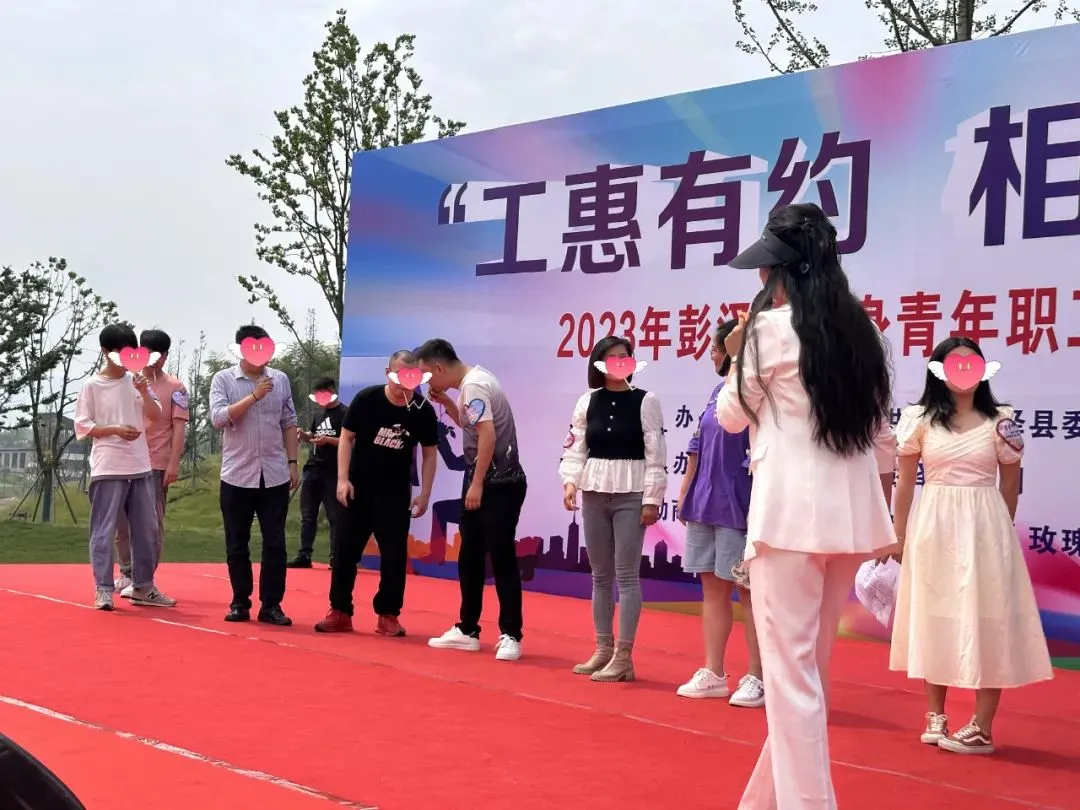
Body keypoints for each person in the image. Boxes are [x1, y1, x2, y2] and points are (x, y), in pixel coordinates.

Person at [715, 203, 897, 810]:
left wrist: (736, 354)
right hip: (847, 519)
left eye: (765, 268)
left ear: (780, 272)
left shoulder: (767, 332)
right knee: (807, 674)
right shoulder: (861, 333)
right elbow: (878, 431)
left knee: (791, 679)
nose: (760, 278)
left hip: (788, 518)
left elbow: (730, 416)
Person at [890, 336, 1052, 755]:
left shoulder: (1002, 420)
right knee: (935, 614)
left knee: (989, 618)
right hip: (934, 525)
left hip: (985, 527)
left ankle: (982, 726)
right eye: (954, 363)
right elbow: (904, 484)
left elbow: (1010, 484)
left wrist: (1000, 531)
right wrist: (899, 535)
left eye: (971, 362)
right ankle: (936, 715)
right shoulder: (918, 419)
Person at [558, 336, 666, 682]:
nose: (620, 362)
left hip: (631, 495)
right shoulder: (587, 400)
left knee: (627, 576)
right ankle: (603, 649)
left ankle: (623, 657)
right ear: (599, 364)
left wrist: (652, 499)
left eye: (625, 356)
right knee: (600, 576)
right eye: (613, 357)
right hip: (593, 492)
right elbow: (576, 447)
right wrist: (570, 482)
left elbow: (656, 455)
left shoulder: (645, 400)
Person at [416, 338, 528, 662]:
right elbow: (472, 427)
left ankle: (511, 634)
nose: (426, 382)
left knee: (501, 556)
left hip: (500, 483)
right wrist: (448, 404)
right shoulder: (473, 382)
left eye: (426, 375)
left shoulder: (474, 385)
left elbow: (488, 435)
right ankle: (467, 629)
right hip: (483, 480)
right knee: (470, 555)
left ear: (439, 368)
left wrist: (477, 483)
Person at [315, 351, 438, 636]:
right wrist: (342, 479)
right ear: (387, 373)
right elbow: (347, 437)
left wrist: (425, 493)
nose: (402, 384)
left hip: (395, 493)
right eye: (398, 376)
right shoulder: (367, 399)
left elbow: (430, 453)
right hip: (358, 488)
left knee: (394, 556)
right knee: (345, 551)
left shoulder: (422, 410)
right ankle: (340, 610)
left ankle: (388, 614)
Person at [675, 318, 764, 707]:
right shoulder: (718, 392)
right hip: (706, 502)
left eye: (716, 347)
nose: (712, 354)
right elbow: (698, 444)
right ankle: (713, 672)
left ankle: (758, 676)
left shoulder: (757, 392)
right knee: (712, 588)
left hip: (740, 505)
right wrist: (686, 491)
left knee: (748, 592)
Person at [73, 323, 177, 610]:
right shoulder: (92, 386)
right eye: (119, 353)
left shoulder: (137, 381)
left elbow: (155, 416)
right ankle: (103, 589)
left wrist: (144, 391)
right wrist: (115, 429)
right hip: (108, 466)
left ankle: (143, 586)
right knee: (104, 530)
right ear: (105, 352)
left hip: (140, 466)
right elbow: (83, 425)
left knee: (146, 530)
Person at [208, 324, 299, 626]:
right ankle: (240, 602)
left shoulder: (280, 379)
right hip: (237, 474)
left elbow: (289, 421)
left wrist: (293, 462)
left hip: (274, 473)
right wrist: (254, 397)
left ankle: (271, 605)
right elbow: (218, 418)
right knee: (237, 542)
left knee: (275, 543)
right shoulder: (223, 379)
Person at [113, 329, 188, 598]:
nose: (156, 359)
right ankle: (127, 571)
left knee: (150, 524)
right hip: (123, 460)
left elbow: (179, 428)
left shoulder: (176, 388)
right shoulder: (125, 380)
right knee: (121, 522)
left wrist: (173, 463)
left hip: (154, 463)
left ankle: (144, 579)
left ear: (166, 356)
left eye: (161, 354)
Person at [288, 377, 345, 569]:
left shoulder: (345, 413)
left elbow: (350, 441)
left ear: (332, 391)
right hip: (313, 470)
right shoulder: (319, 414)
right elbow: (314, 436)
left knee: (334, 516)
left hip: (333, 471)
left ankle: (336, 557)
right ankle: (304, 555)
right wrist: (305, 435)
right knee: (307, 515)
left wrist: (328, 440)